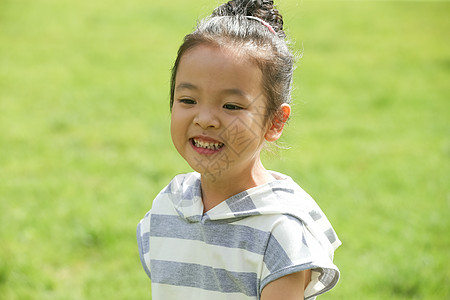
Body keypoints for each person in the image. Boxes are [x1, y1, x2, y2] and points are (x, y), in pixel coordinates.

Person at [137, 0, 341, 299]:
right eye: (188, 100)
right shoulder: (168, 207)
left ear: (274, 121)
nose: (204, 119)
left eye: (231, 105)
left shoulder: (280, 229)